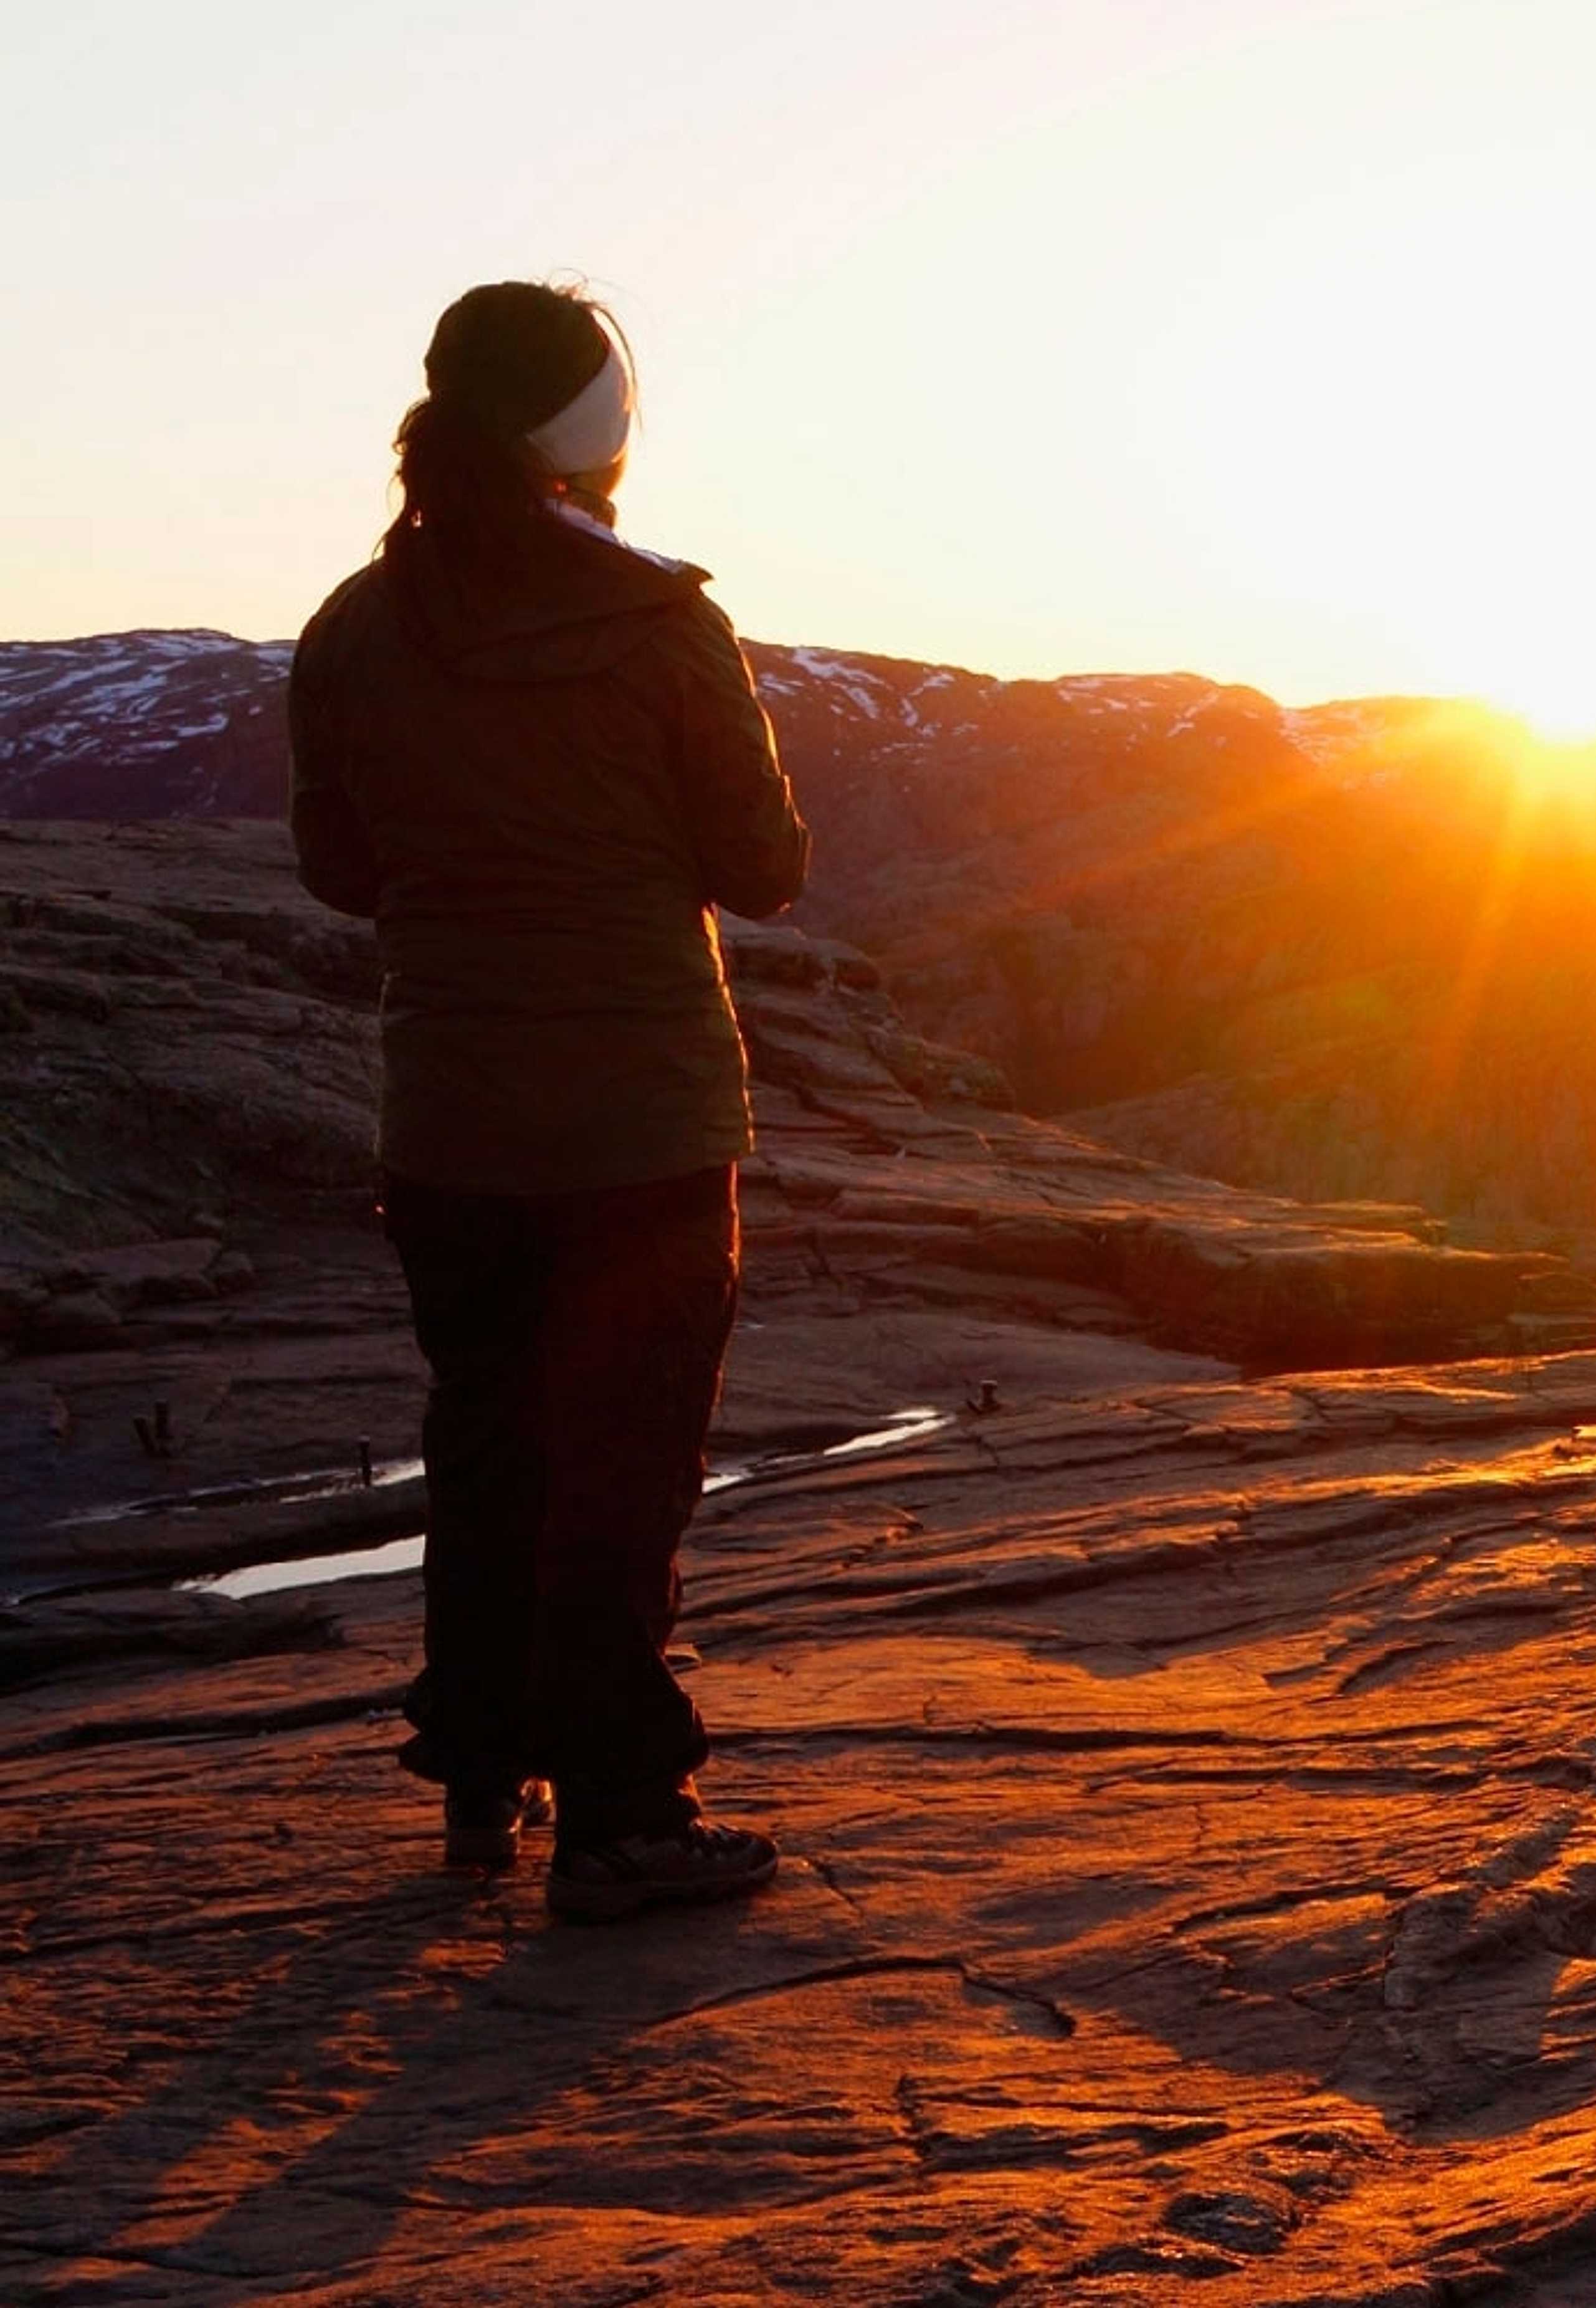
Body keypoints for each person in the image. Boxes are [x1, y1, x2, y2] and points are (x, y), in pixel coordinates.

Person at [288, 280, 810, 1922]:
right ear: (601, 436)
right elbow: (768, 871)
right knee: (622, 1470)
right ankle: (623, 1821)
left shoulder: (355, 628)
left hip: (447, 1122)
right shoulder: (665, 625)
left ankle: (473, 1783)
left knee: (490, 1441)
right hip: (642, 1128)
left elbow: (340, 871)